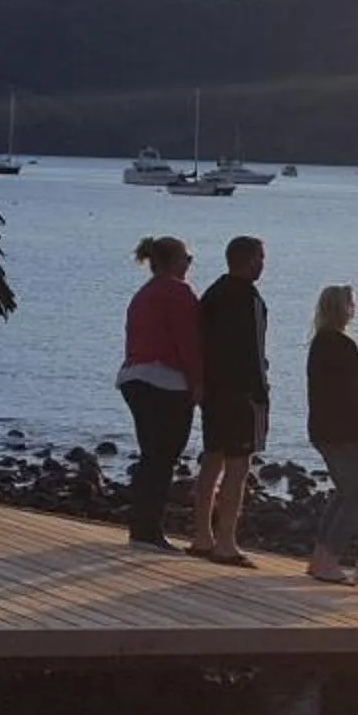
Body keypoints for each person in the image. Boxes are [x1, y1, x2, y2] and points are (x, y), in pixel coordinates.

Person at [114, 236, 205, 553]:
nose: (190, 263)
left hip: (134, 376)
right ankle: (148, 530)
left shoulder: (144, 294)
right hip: (164, 381)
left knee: (151, 454)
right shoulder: (177, 292)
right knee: (163, 456)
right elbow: (188, 342)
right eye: (187, 257)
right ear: (174, 261)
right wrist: (199, 382)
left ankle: (142, 525)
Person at [191, 235, 268, 568]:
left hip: (213, 390)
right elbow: (253, 348)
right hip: (240, 392)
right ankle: (225, 541)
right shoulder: (247, 298)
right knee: (238, 466)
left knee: (212, 460)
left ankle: (201, 535)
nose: (263, 264)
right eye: (260, 258)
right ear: (249, 260)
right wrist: (260, 392)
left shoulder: (212, 294)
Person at [303, 283, 358, 586]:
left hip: (324, 428)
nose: (353, 310)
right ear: (342, 309)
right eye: (350, 304)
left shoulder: (321, 343)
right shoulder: (339, 345)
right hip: (344, 431)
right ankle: (329, 559)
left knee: (345, 492)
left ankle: (320, 556)